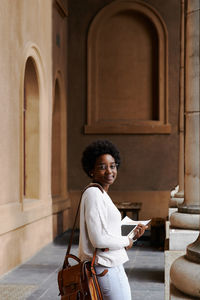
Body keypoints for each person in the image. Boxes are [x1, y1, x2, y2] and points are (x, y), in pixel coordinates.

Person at [78, 140, 147, 300]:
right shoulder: (94, 194)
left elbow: (107, 232)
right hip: (104, 267)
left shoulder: (102, 194)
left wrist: (132, 237)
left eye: (113, 165)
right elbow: (99, 240)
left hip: (111, 264)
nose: (109, 171)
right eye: (102, 167)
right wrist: (126, 242)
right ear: (91, 171)